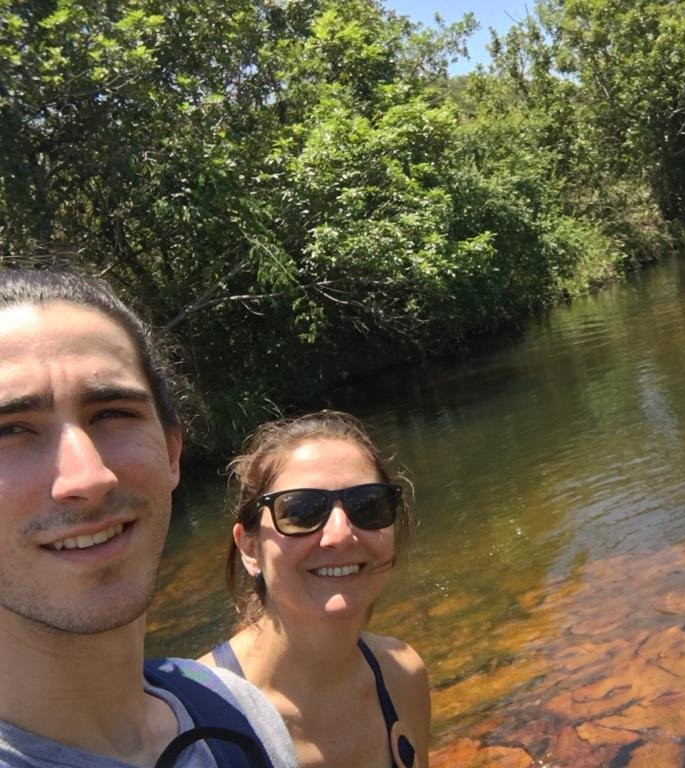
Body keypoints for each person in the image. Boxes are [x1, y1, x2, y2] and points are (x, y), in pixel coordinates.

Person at [0, 268, 297, 766]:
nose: (88, 478)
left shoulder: (238, 713)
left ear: (172, 452)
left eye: (113, 413)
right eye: (9, 431)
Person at [200, 411, 430, 768]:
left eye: (367, 505)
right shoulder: (197, 718)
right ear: (249, 549)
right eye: (302, 510)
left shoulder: (402, 675)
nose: (340, 534)